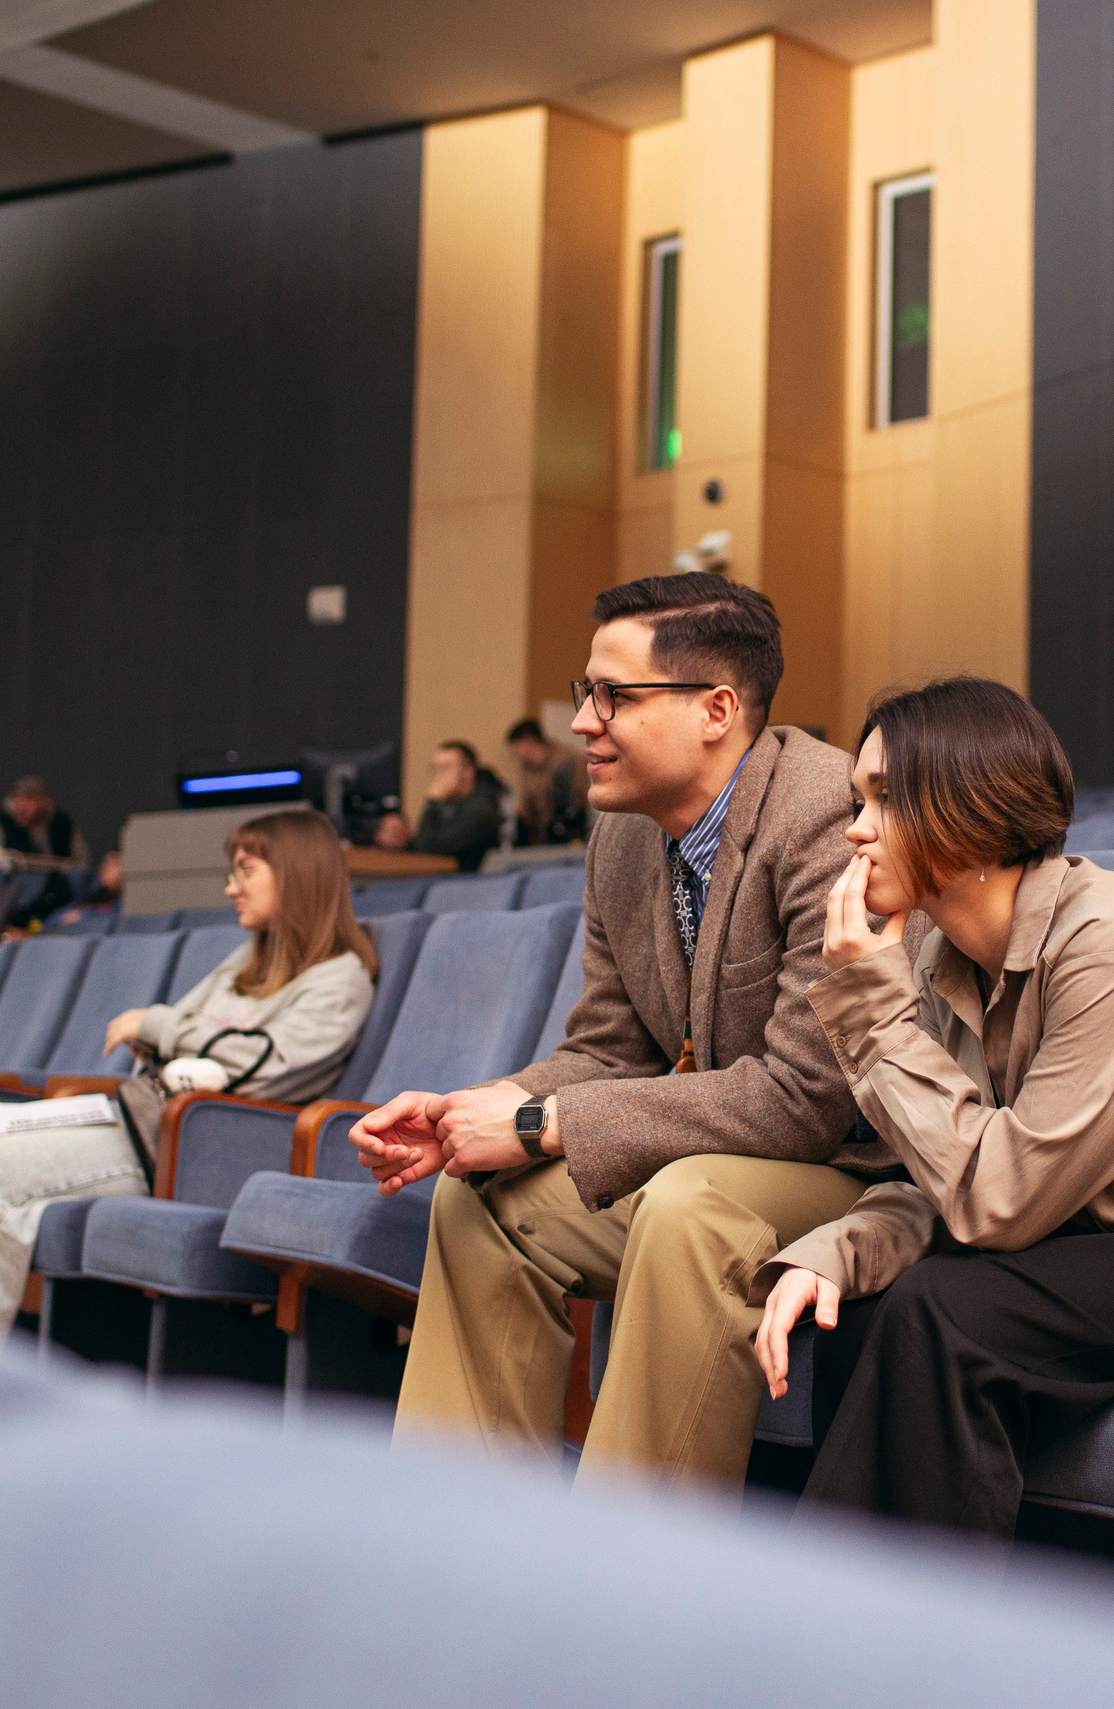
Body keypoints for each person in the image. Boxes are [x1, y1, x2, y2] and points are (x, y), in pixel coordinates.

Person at [746, 678, 1114, 1539]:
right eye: (858, 799)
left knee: (943, 1312)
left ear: (967, 812)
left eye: (884, 798)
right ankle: (856, 1608)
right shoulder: (941, 960)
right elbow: (945, 1168)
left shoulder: (1109, 939)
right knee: (862, 1307)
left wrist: (872, 1009)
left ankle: (888, 1619)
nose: (855, 828)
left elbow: (1000, 1197)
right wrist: (835, 1256)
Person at [353, 570, 883, 1491]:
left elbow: (807, 1100)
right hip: (719, 1151)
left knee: (687, 1206)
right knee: (482, 1198)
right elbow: (609, 1048)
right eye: (585, 692)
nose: (581, 723)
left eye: (614, 696)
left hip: (856, 1169)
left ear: (716, 709)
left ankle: (622, 1564)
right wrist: (479, 1111)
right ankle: (455, 1535)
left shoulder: (828, 813)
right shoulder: (624, 834)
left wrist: (540, 1125)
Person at [0, 809, 376, 1335]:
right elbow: (171, 1039)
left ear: (297, 875)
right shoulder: (246, 962)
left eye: (245, 872)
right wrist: (167, 1035)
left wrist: (159, 1027)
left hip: (191, 1149)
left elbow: (264, 1067)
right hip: (136, 1118)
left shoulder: (341, 978)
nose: (230, 888)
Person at [0, 775, 89, 925]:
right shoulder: (1, 823)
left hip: (55, 903)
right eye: (17, 798)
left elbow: (81, 864)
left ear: (44, 801)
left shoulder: (61, 823)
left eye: (29, 799)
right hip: (15, 901)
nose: (21, 806)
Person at [374, 741, 504, 871]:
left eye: (445, 767)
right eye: (435, 768)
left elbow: (430, 850)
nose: (438, 775)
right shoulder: (449, 805)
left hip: (467, 880)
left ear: (468, 771)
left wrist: (432, 802)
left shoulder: (481, 809)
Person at [505, 717, 587, 846]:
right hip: (541, 839)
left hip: (569, 834)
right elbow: (526, 808)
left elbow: (577, 801)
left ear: (528, 742)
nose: (515, 754)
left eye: (516, 748)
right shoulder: (527, 768)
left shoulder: (567, 762)